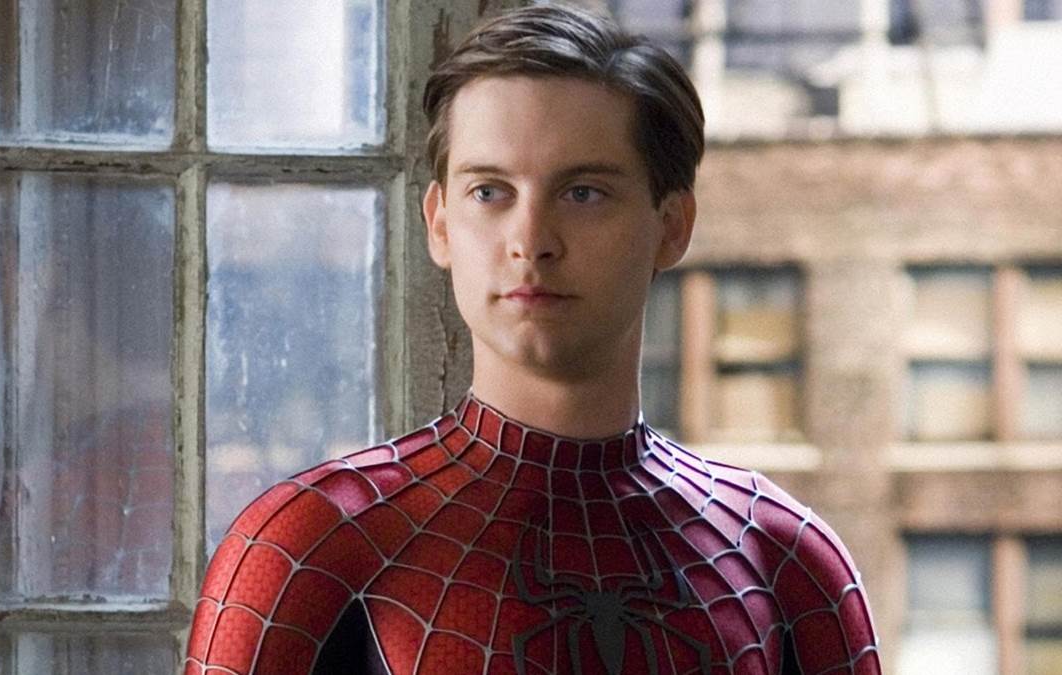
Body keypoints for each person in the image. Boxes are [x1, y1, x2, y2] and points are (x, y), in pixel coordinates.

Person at [183, 5, 881, 674]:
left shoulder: (786, 559)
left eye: (583, 193)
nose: (531, 241)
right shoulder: (311, 547)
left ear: (672, 226)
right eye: (490, 191)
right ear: (441, 225)